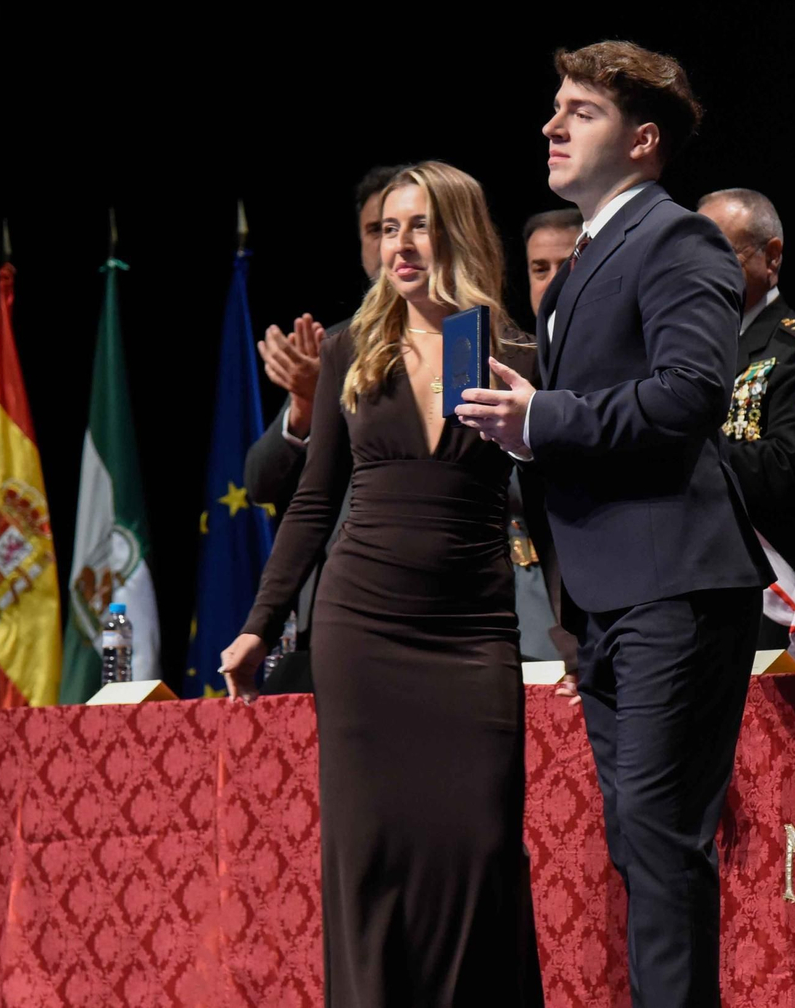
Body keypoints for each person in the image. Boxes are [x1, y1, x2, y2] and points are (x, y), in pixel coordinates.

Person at [456, 41, 768, 1008]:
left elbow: (687, 396)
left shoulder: (679, 240)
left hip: (674, 582)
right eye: (553, 108)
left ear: (641, 141)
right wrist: (527, 437)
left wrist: (542, 420)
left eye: (577, 112)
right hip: (605, 594)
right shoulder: (594, 252)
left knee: (661, 837)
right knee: (639, 838)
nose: (551, 125)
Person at [219, 162, 544, 1007]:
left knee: (478, 851)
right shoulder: (348, 348)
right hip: (364, 634)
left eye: (421, 225)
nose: (400, 244)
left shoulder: (510, 350)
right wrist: (261, 622)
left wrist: (581, 631)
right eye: (390, 227)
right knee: (373, 861)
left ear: (461, 234)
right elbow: (314, 498)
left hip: (473, 634)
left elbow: (548, 503)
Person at [245, 165, 396, 692]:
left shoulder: (470, 339)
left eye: (409, 226)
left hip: (440, 608)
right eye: (378, 230)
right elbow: (264, 483)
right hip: (335, 608)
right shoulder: (332, 348)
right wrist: (308, 407)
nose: (391, 245)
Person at [697, 187, 795, 668]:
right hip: (693, 589)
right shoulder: (680, 352)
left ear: (771, 256)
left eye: (719, 252)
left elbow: (793, 470)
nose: (700, 269)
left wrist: (684, 452)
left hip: (768, 595)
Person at [514, 209, 583, 668]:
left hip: (593, 599)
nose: (553, 282)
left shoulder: (623, 362)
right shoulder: (507, 361)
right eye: (540, 269)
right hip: (513, 610)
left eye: (568, 266)